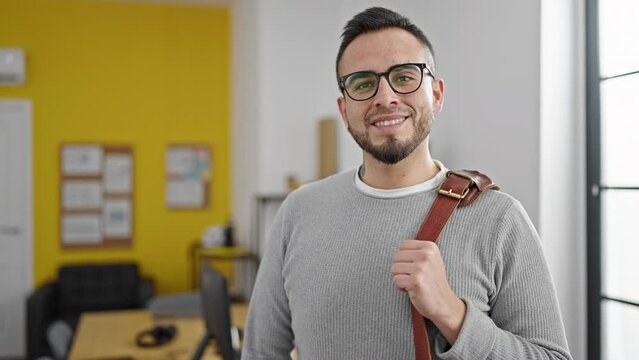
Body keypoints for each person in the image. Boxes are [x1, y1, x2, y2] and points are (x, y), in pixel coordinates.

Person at [242, 7, 572, 360]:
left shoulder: (499, 218)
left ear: (438, 94)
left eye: (404, 77)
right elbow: (262, 352)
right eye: (363, 83)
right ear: (344, 110)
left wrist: (452, 314)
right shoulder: (299, 211)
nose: (384, 97)